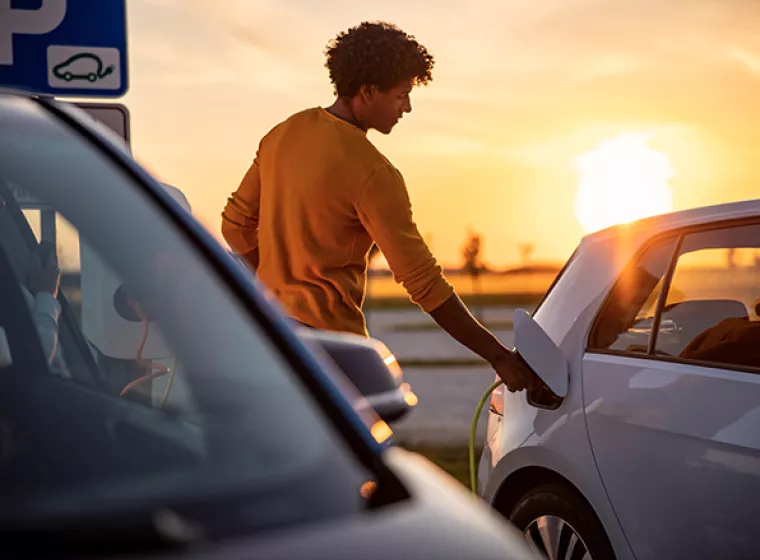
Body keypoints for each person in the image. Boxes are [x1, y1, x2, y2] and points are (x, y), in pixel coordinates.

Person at [222, 21, 534, 392]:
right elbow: (424, 283)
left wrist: (276, 286)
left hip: (271, 335)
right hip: (334, 352)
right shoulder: (373, 173)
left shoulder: (283, 133)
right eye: (401, 95)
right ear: (368, 92)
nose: (407, 107)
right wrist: (498, 356)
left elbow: (234, 228)